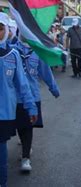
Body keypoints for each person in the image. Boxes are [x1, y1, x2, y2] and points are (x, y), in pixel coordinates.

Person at [12, 34, 60, 172]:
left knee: (28, 126)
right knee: (21, 126)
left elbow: (45, 72)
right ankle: (26, 146)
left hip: (33, 96)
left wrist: (54, 88)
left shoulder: (37, 52)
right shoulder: (13, 50)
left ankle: (25, 157)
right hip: (16, 97)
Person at [0, 13, 37, 186]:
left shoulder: (13, 55)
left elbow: (23, 85)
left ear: (7, 31)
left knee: (1, 153)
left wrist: (31, 107)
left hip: (4, 113)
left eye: (0, 29)